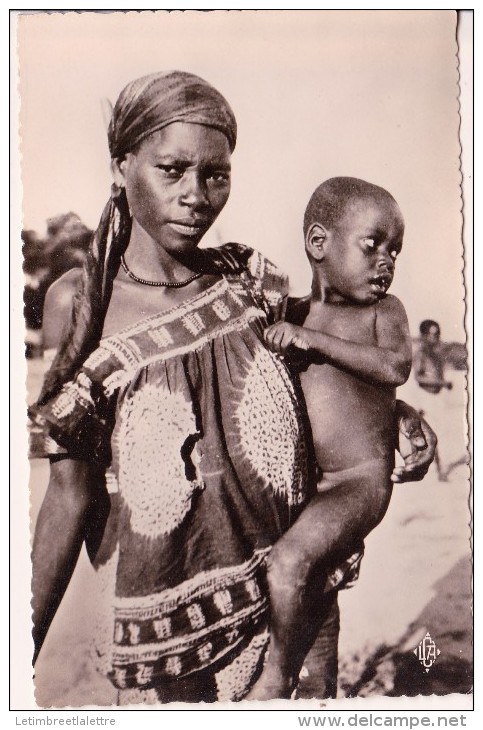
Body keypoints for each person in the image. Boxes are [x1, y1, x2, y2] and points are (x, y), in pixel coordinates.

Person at [29, 74, 436, 705]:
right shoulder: (80, 306)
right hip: (168, 633)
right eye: (173, 170)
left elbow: (316, 373)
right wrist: (16, 641)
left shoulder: (247, 280)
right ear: (122, 164)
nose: (196, 195)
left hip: (295, 615)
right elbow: (69, 493)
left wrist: (401, 414)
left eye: (215, 175)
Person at [247, 177, 416, 700]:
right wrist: (297, 337)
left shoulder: (381, 313)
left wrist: (311, 341)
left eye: (395, 251)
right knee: (318, 589)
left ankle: (275, 681)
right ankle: (320, 692)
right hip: (305, 482)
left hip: (358, 482)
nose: (386, 262)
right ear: (319, 244)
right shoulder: (291, 314)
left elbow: (394, 367)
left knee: (291, 562)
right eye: (373, 245)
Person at [413, 320, 453, 481]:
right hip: (426, 397)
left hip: (437, 397)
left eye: (438, 333)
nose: (436, 337)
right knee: (432, 435)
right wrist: (442, 383)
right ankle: (439, 470)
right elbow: (418, 377)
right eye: (433, 334)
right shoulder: (421, 354)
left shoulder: (436, 353)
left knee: (439, 434)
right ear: (424, 336)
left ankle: (437, 467)